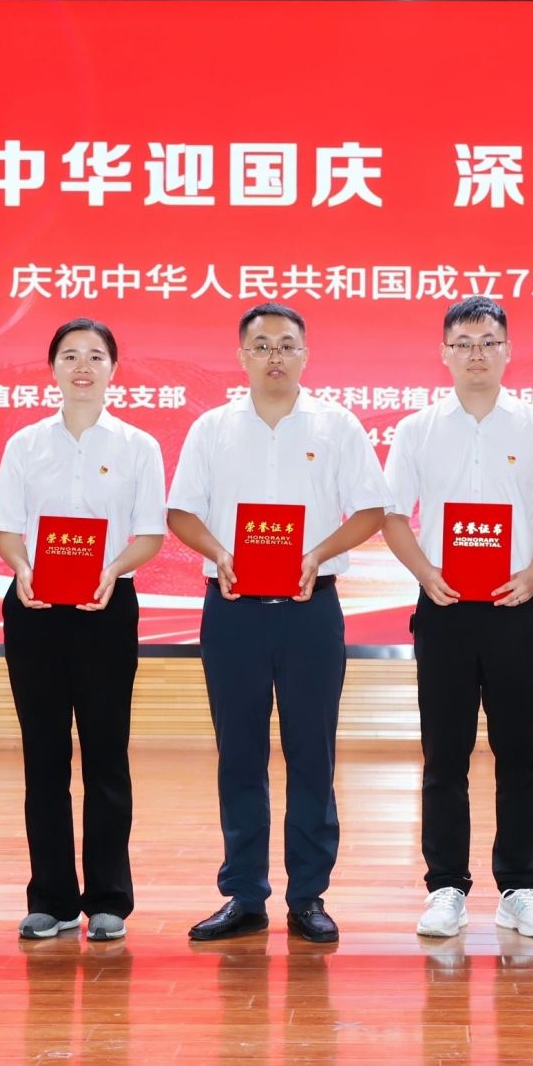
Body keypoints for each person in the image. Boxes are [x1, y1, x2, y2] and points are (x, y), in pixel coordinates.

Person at [165, 302, 391, 944]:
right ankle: (244, 895)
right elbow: (181, 512)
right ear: (241, 355)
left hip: (310, 609)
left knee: (312, 753)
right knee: (239, 754)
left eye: (287, 345)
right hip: (233, 609)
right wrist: (219, 553)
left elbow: (371, 509)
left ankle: (308, 895)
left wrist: (318, 552)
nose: (274, 356)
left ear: (305, 355)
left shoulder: (337, 425)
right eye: (261, 345)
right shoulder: (212, 428)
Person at [382, 297, 533, 940]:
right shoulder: (416, 429)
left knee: (520, 752)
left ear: (508, 351)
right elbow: (392, 514)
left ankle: (521, 887)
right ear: (444, 353)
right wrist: (425, 573)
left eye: (489, 342)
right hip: (443, 609)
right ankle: (446, 886)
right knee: (445, 754)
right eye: (463, 343)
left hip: (514, 610)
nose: (476, 354)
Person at [0, 317, 165, 944]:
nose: (82, 367)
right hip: (34, 608)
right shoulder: (25, 444)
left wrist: (112, 569)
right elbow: (6, 528)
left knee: (106, 755)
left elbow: (150, 533)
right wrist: (22, 568)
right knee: (43, 757)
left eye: (95, 356)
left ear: (114, 368)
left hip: (106, 608)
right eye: (69, 356)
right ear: (53, 368)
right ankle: (52, 898)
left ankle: (110, 898)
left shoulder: (139, 446)